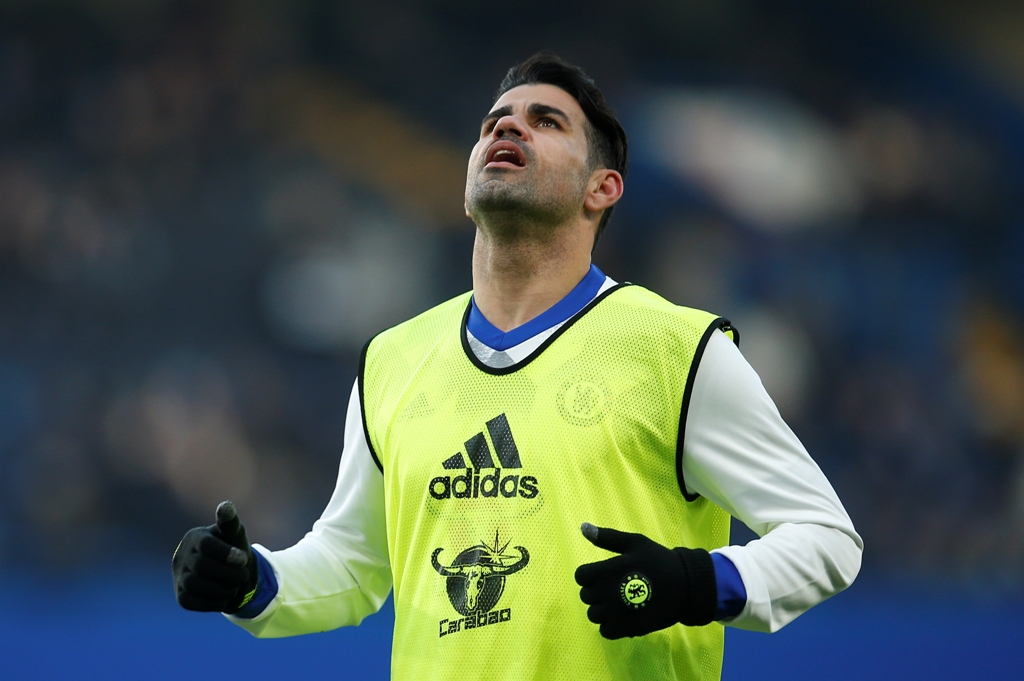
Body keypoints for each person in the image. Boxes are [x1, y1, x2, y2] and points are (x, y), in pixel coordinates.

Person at [172, 53, 862, 680]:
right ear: (467, 185)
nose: (509, 128)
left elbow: (828, 538)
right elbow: (354, 562)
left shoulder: (678, 351)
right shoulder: (392, 359)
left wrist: (696, 579)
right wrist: (251, 581)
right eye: (495, 121)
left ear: (603, 188)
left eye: (546, 121)